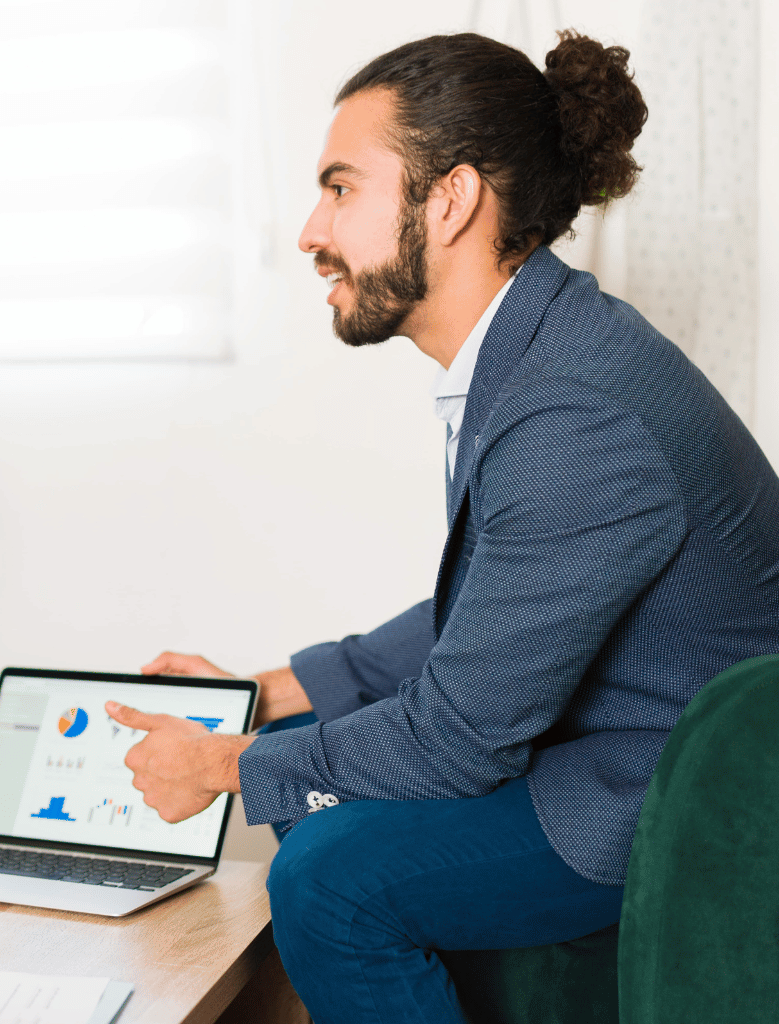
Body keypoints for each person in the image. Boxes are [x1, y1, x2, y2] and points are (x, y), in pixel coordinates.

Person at [103, 32, 779, 1024]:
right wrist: (263, 693)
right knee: (302, 760)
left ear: (451, 198)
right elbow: (496, 608)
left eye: (340, 188)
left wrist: (223, 764)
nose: (307, 230)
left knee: (330, 874)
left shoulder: (572, 409)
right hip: (615, 735)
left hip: (672, 790)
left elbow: (461, 738)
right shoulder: (540, 349)